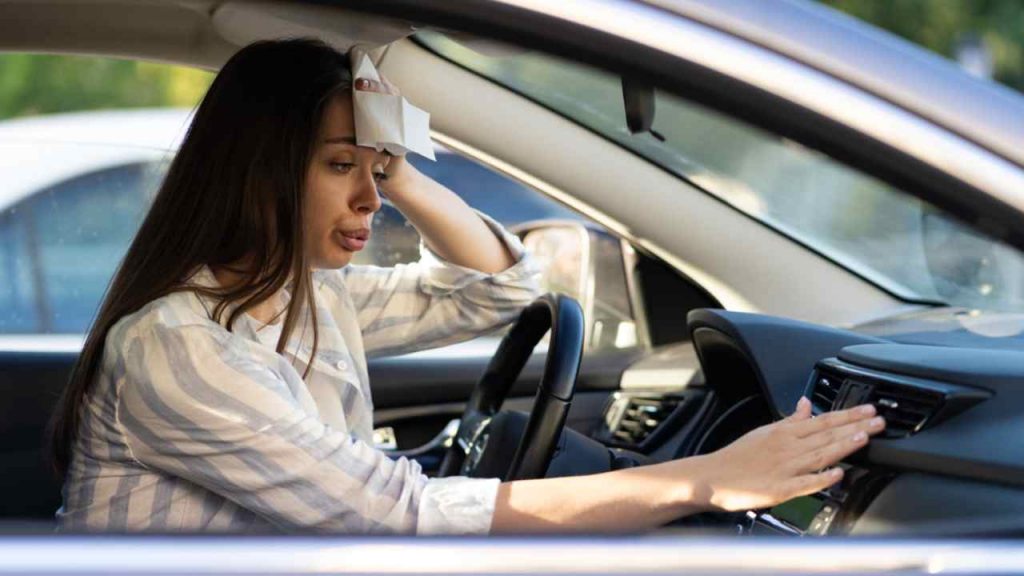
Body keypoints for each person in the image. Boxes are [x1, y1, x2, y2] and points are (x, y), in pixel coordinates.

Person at [50, 38, 885, 535]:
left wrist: (399, 167)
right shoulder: (180, 346)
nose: (369, 199)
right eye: (341, 166)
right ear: (258, 172)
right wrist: (704, 480)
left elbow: (495, 289)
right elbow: (393, 516)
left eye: (374, 170)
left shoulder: (303, 297)